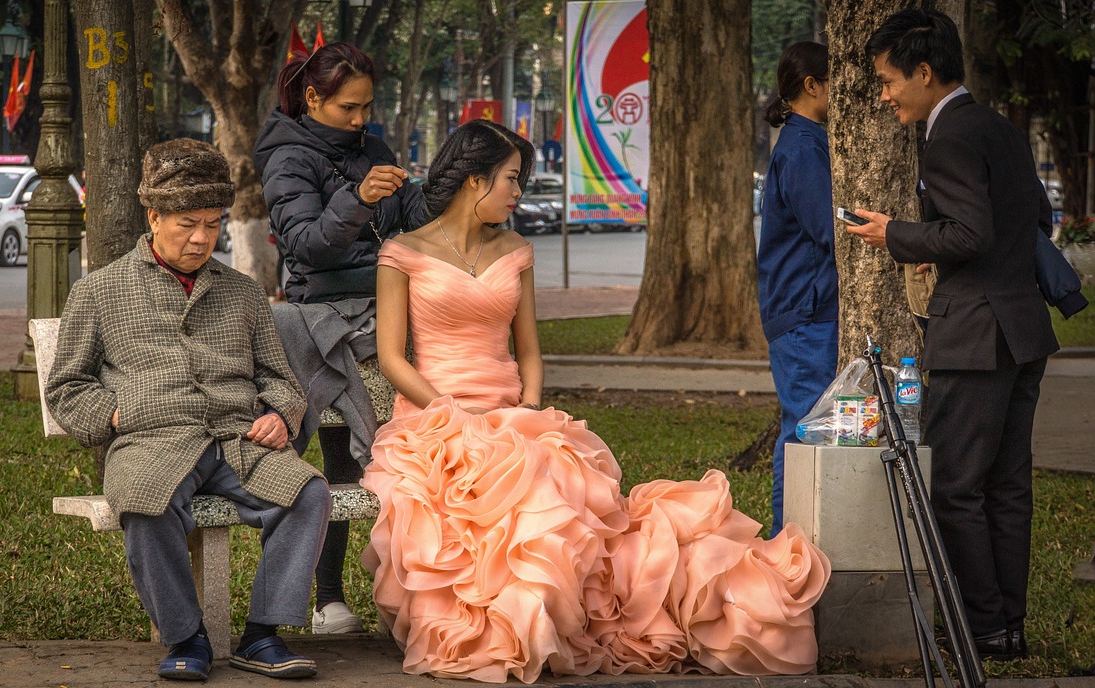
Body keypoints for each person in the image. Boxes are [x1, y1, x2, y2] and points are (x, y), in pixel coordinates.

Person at [362, 119, 832, 682]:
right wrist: (456, 415)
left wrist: (529, 408)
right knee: (501, 498)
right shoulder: (403, 253)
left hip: (513, 416)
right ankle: (505, 622)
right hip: (434, 420)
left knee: (552, 489)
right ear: (474, 180)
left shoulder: (515, 250)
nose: (519, 192)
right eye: (511, 179)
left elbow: (528, 351)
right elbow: (392, 359)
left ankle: (547, 614)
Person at [46, 138, 330, 681]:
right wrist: (116, 417)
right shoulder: (100, 291)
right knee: (143, 504)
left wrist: (279, 412)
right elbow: (67, 387)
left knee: (308, 494)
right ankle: (185, 637)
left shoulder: (243, 292)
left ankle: (262, 635)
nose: (202, 238)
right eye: (187, 224)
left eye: (213, 224)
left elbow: (280, 379)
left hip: (238, 442)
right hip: (150, 442)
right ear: (153, 217)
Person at [847, 9, 1058, 661]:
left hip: (975, 336)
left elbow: (970, 232)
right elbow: (1035, 217)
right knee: (1006, 487)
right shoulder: (999, 128)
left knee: (955, 487)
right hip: (1022, 328)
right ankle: (1007, 627)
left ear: (924, 72)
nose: (885, 96)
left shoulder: (949, 138)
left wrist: (898, 234)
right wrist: (931, 242)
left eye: (888, 81)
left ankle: (982, 625)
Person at [254, 41, 426, 635]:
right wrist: (358, 199)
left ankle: (427, 593)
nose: (360, 120)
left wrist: (442, 190)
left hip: (389, 306)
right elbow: (305, 247)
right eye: (348, 108)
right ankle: (325, 599)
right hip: (322, 313)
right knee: (330, 460)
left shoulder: (372, 149)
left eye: (367, 107)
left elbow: (414, 221)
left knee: (372, 460)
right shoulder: (287, 159)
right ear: (312, 98)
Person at [756, 41, 836, 537]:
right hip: (804, 313)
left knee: (807, 429)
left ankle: (790, 547)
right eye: (836, 82)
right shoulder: (803, 148)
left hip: (803, 309)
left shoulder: (804, 142)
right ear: (812, 85)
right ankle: (785, 548)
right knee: (805, 432)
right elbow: (830, 230)